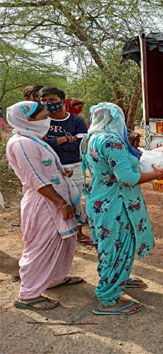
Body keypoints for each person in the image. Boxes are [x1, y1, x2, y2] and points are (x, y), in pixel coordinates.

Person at [80, 102, 163, 315]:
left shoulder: (89, 138)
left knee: (108, 246)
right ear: (116, 119)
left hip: (100, 200)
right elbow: (127, 178)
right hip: (116, 205)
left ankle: (119, 278)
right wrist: (159, 175)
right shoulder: (111, 142)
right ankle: (108, 299)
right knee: (117, 247)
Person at [6, 101, 84, 311]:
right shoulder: (23, 144)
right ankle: (29, 295)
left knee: (62, 243)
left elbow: (45, 168)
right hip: (45, 203)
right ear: (28, 119)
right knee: (42, 245)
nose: (46, 121)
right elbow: (35, 179)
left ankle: (53, 279)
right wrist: (60, 203)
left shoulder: (33, 139)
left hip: (55, 198)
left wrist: (61, 173)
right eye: (42, 117)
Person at [39, 86, 93, 246]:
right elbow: (40, 145)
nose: (48, 103)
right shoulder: (41, 121)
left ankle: (79, 233)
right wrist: (63, 140)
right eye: (44, 100)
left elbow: (81, 144)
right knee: (54, 199)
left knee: (74, 198)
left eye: (52, 100)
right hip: (49, 167)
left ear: (62, 101)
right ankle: (56, 233)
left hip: (74, 165)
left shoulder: (75, 120)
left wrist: (53, 143)